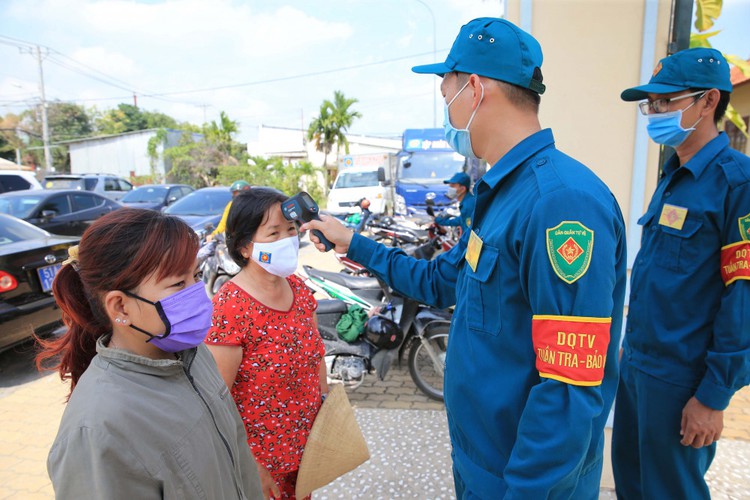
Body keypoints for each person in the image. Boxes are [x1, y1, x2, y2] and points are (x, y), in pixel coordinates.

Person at [303, 17, 627, 499]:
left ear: (473, 88)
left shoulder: (559, 203)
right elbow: (441, 282)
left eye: (446, 90)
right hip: (483, 461)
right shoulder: (500, 195)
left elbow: (569, 390)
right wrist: (354, 243)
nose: (446, 108)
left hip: (523, 481)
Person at [37, 208, 263, 499]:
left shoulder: (192, 354)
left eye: (195, 276)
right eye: (177, 284)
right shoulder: (97, 429)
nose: (198, 294)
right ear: (120, 307)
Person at [613, 47, 750, 499]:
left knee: (671, 492)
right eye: (649, 105)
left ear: (708, 101)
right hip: (638, 369)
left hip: (681, 380)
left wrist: (712, 397)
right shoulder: (673, 176)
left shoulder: (738, 183)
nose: (653, 113)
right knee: (633, 486)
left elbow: (743, 299)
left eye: (665, 102)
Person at [204, 188, 327, 500]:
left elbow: (316, 358)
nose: (287, 240)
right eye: (273, 233)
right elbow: (218, 399)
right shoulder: (231, 305)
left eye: (290, 230)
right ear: (245, 247)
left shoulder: (299, 290)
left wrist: (325, 416)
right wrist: (250, 465)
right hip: (261, 468)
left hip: (306, 454)